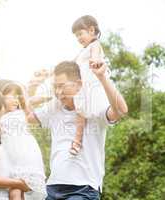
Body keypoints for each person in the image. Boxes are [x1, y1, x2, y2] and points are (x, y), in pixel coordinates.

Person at [25, 60, 128, 199]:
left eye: (62, 86)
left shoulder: (93, 107)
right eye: (55, 87)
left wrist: (102, 77)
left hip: (83, 189)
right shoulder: (53, 108)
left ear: (79, 84)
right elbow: (25, 117)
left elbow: (121, 110)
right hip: (52, 187)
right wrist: (31, 89)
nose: (58, 92)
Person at [0, 79, 47, 200]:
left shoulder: (21, 113)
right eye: (11, 96)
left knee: (26, 189)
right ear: (0, 97)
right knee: (15, 189)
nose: (15, 100)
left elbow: (31, 100)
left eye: (17, 97)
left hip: (28, 155)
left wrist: (37, 86)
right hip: (12, 157)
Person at [69, 15, 111, 155]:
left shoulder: (94, 45)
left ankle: (78, 141)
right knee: (80, 111)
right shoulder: (82, 51)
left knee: (87, 112)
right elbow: (72, 63)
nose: (78, 38)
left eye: (80, 34)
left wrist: (94, 61)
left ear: (92, 30)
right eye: (76, 36)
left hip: (91, 84)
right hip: (82, 86)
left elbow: (95, 56)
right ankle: (78, 140)